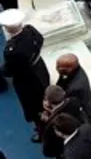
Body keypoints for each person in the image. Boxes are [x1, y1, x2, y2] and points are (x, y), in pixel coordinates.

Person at [2, 9, 50, 140]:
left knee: (34, 108)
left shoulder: (12, 50)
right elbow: (40, 40)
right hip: (39, 68)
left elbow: (9, 71)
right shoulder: (30, 30)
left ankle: (43, 134)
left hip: (27, 81)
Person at [54, 55, 91, 131]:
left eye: (58, 67)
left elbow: (68, 104)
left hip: (83, 109)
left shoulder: (75, 88)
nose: (56, 68)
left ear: (69, 69)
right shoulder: (74, 69)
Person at [39, 85, 89, 157]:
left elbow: (48, 151)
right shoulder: (74, 101)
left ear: (48, 102)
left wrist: (47, 121)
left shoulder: (52, 126)